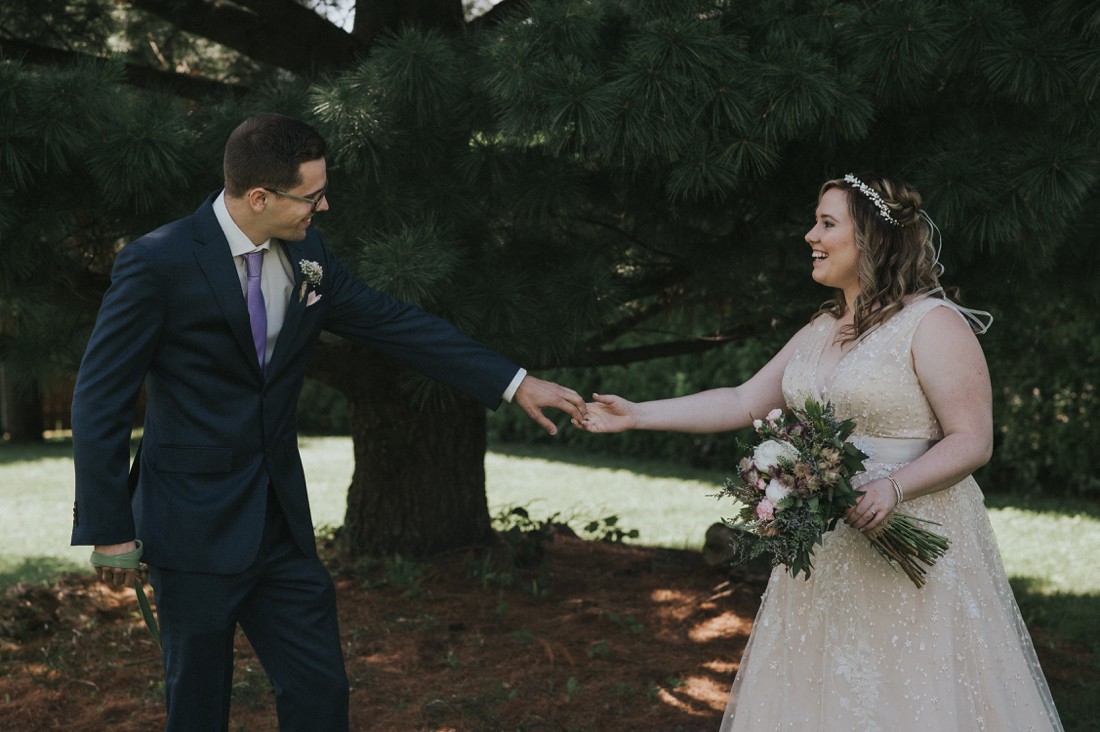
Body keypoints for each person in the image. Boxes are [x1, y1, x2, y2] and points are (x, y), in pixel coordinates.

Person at [70, 112, 587, 732]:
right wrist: (110, 528)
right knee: (198, 702)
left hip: (281, 527)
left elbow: (393, 322)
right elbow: (100, 398)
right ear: (259, 197)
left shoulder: (309, 253)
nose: (324, 204)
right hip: (190, 527)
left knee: (320, 690)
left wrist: (514, 381)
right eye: (312, 195)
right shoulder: (157, 262)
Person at [579, 173, 1064, 731]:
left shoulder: (931, 324)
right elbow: (741, 399)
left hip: (914, 542)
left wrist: (893, 486)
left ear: (873, 239)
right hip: (826, 554)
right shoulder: (821, 329)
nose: (811, 235)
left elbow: (973, 439)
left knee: (911, 695)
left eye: (827, 224)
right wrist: (638, 413)